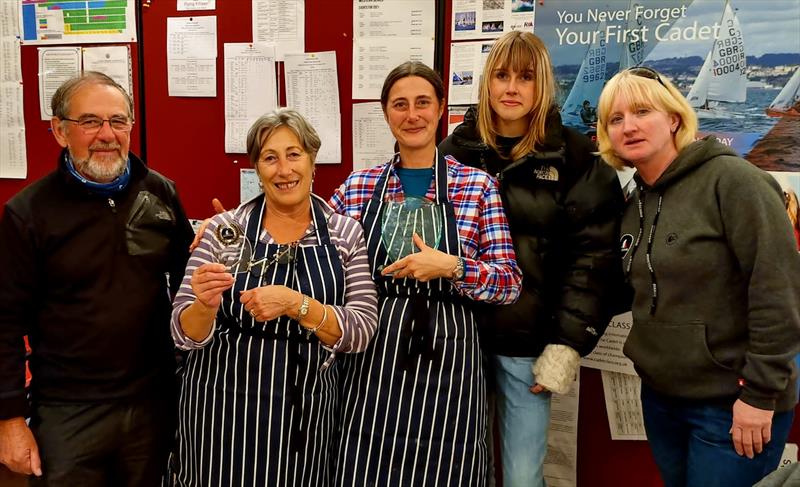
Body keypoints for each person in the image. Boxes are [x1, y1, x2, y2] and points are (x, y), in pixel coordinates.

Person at [596, 66, 800, 487]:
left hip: (733, 406)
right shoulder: (635, 199)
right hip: (662, 399)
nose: (629, 126)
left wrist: (759, 396)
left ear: (673, 118)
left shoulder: (735, 181)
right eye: (616, 119)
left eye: (641, 111)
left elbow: (779, 293)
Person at [439, 31, 624, 487]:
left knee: (523, 476)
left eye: (525, 77)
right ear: (486, 82)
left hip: (529, 344)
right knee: (458, 470)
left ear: (542, 84)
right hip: (459, 342)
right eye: (501, 75)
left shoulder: (578, 158)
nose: (511, 88)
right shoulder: (453, 153)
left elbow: (594, 260)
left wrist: (568, 343)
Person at [329, 61, 522, 486]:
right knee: (367, 465)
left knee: (449, 469)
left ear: (440, 110)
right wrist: (230, 234)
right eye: (400, 105)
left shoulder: (476, 186)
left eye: (422, 103)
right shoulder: (357, 188)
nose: (411, 115)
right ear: (386, 113)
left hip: (450, 355)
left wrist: (451, 266)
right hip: (372, 355)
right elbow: (311, 251)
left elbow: (508, 282)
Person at [0, 72, 193, 485]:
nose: (107, 134)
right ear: (59, 130)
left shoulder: (161, 194)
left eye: (118, 121)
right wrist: (10, 418)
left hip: (152, 404)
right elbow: (4, 324)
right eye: (90, 121)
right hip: (68, 412)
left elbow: (187, 290)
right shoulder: (28, 213)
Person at [170, 108, 378, 486]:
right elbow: (183, 333)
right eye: (270, 158)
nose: (284, 170)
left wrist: (296, 304)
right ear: (257, 169)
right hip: (221, 408)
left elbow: (362, 328)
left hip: (304, 412)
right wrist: (204, 304)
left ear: (313, 160)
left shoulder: (344, 233)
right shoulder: (223, 230)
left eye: (294, 154)